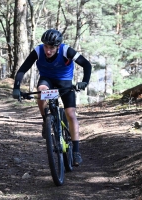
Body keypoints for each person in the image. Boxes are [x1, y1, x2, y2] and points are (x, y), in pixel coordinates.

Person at [12, 29, 92, 166]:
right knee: (41, 90)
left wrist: (84, 81)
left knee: (70, 114)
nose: (48, 51)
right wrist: (17, 88)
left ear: (58, 47)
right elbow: (22, 69)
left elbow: (86, 64)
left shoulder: (66, 50)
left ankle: (76, 151)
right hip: (46, 79)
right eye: (46, 47)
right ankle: (46, 121)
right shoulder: (38, 50)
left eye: (52, 48)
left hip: (64, 81)